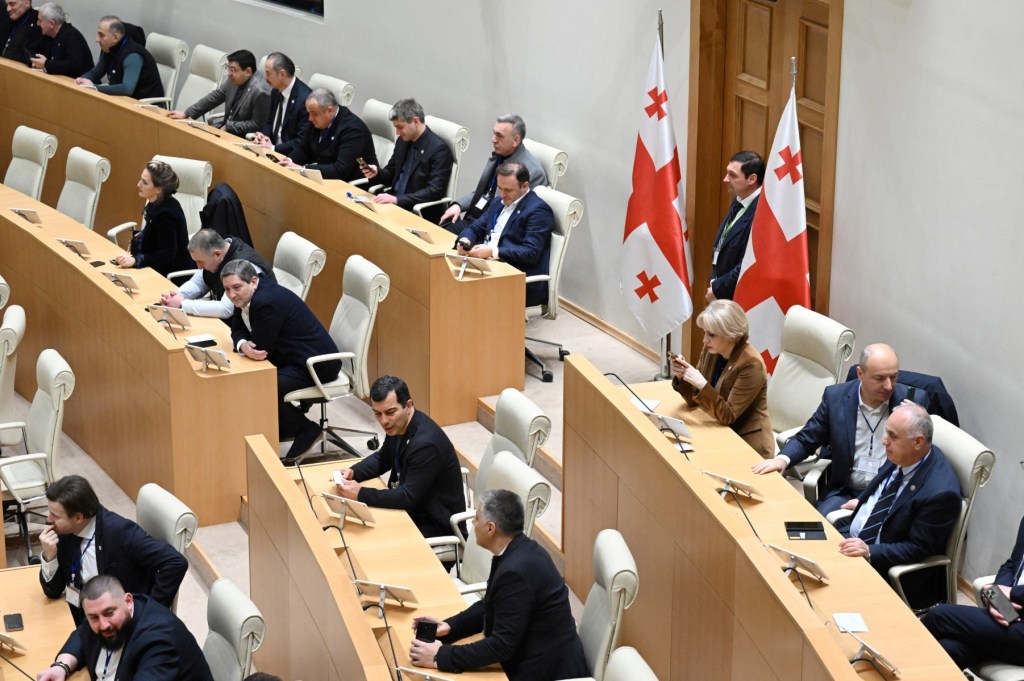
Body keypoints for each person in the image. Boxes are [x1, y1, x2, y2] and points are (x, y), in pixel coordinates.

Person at [408, 489, 587, 681]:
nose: (473, 522)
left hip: (547, 672)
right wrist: (451, 626)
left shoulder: (516, 572)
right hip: (534, 656)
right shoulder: (517, 550)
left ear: (491, 528)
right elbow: (491, 604)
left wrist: (440, 656)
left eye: (477, 518)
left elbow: (502, 645)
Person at [751, 343, 929, 515]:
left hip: (886, 496)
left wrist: (914, 422)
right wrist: (782, 460)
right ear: (860, 374)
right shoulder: (836, 397)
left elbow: (924, 460)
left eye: (894, 377)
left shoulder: (913, 404)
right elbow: (808, 438)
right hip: (845, 491)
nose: (889, 386)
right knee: (819, 527)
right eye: (880, 378)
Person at [834, 403, 961, 610]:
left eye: (892, 436)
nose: (884, 441)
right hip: (851, 537)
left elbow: (918, 548)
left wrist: (869, 551)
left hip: (882, 565)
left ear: (918, 442)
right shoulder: (907, 453)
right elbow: (884, 490)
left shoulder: (941, 493)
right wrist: (863, 502)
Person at [222, 259, 340, 462]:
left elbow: (261, 348)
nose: (231, 295)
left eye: (236, 287)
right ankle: (282, 426)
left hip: (316, 364)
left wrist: (247, 345)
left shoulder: (265, 301)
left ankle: (306, 430)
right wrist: (242, 344)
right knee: (257, 379)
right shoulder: (249, 295)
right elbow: (237, 326)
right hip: (293, 357)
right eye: (227, 289)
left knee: (262, 385)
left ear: (253, 281)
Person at [38, 475, 188, 626]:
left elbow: (176, 562)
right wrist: (50, 556)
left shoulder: (121, 532)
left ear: (78, 518)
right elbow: (53, 591)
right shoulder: (65, 532)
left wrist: (150, 612)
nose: (49, 519)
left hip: (114, 623)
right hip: (83, 613)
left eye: (55, 515)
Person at [336, 375, 465, 538]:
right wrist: (354, 472)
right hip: (411, 510)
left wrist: (360, 493)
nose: (384, 421)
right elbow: (383, 458)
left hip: (434, 525)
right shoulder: (399, 425)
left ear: (408, 405)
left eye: (390, 412)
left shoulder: (426, 444)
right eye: (378, 414)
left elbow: (406, 497)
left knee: (363, 536)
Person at [38, 575, 213, 681]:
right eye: (93, 617)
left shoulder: (160, 641)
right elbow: (82, 634)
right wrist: (61, 667)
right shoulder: (108, 609)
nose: (103, 624)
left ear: (128, 601)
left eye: (109, 613)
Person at [670, 299, 773, 457]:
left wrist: (702, 384)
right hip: (716, 428)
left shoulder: (751, 364)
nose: (705, 340)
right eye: (705, 332)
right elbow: (695, 400)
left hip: (747, 443)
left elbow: (728, 416)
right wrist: (682, 377)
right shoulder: (712, 350)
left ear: (730, 334)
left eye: (711, 335)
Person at [922, 514, 1024, 670]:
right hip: (1012, 612)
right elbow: (1012, 566)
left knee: (939, 615)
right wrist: (996, 597)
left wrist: (1011, 593)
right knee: (948, 648)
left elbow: (1011, 591)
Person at [456, 161, 554, 307]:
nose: (502, 194)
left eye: (508, 190)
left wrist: (493, 252)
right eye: (500, 188)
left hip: (514, 275)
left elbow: (531, 252)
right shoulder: (498, 203)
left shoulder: (538, 211)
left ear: (525, 186)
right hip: (488, 265)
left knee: (461, 294)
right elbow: (475, 227)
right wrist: (465, 240)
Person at [439, 113, 547, 228]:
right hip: (473, 219)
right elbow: (483, 192)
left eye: (499, 136)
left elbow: (518, 213)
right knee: (439, 227)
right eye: (494, 133)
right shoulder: (499, 156)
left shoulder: (533, 172)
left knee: (443, 234)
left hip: (490, 228)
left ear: (515, 140)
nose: (493, 140)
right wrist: (458, 205)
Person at [360, 98, 453, 222]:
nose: (397, 133)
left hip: (416, 211)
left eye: (400, 127)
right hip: (393, 205)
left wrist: (397, 200)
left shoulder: (438, 149)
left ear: (415, 121)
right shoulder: (402, 142)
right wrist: (376, 172)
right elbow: (391, 173)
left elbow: (434, 191)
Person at [159, 229, 275, 319]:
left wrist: (182, 304)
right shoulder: (217, 253)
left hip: (255, 325)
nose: (199, 267)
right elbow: (197, 283)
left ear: (217, 254)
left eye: (200, 262)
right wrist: (176, 297)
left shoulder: (242, 265)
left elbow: (226, 309)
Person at [275, 88, 376, 181]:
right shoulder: (317, 121)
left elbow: (340, 170)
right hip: (326, 178)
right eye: (309, 113)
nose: (310, 118)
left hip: (352, 185)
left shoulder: (353, 129)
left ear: (330, 111)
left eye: (314, 114)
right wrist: (289, 161)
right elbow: (304, 149)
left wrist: (302, 169)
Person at [112, 160, 192, 277]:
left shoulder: (166, 213)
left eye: (144, 183)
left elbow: (167, 254)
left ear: (159, 189)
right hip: (156, 267)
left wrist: (136, 261)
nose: (138, 184)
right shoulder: (157, 203)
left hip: (170, 276)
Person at [168, 49, 270, 137]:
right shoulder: (234, 79)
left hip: (242, 138)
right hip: (224, 130)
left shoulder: (260, 92)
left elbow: (256, 125)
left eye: (233, 70)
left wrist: (229, 126)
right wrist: (186, 113)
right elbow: (214, 97)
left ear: (248, 72)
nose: (229, 74)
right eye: (228, 69)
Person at [707, 150, 764, 302]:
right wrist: (714, 282)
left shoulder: (762, 211)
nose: (726, 179)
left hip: (738, 297)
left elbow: (749, 262)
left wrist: (718, 289)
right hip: (720, 287)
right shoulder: (739, 199)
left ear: (752, 179)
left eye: (732, 175)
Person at [74, 16, 163, 99]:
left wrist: (94, 87)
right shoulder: (109, 49)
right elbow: (95, 72)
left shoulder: (132, 55)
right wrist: (82, 79)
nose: (97, 39)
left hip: (146, 105)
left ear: (115, 37)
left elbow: (127, 89)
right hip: (124, 100)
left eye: (101, 35)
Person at [251, 51, 311, 156]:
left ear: (282, 74)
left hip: (289, 156)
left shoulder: (305, 100)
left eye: (268, 73)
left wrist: (273, 148)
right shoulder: (276, 90)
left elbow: (301, 141)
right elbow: (270, 122)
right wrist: (263, 136)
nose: (265, 78)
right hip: (270, 150)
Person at [29, 3, 91, 76]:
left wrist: (46, 64)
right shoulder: (48, 35)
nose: (37, 24)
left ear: (51, 23)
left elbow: (74, 66)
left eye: (40, 20)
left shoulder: (72, 36)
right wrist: (34, 61)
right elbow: (29, 50)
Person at [0, 0, 46, 65]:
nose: (8, 9)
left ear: (27, 3)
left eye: (12, 4)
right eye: (7, 5)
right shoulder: (10, 19)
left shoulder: (38, 24)